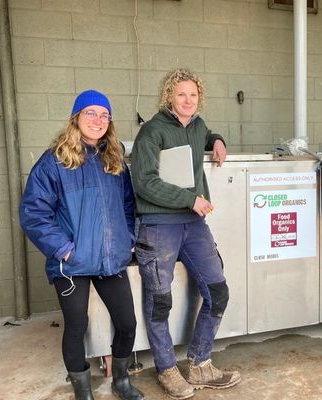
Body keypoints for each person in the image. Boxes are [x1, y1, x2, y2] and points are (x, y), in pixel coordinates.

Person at [19, 90, 143, 400]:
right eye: (90, 113)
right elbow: (34, 213)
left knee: (127, 323)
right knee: (77, 326)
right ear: (76, 117)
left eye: (104, 115)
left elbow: (129, 206)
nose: (97, 120)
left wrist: (127, 239)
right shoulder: (54, 161)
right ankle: (83, 392)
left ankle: (121, 381)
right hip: (71, 262)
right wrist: (64, 249)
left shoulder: (114, 160)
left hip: (109, 258)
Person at [131, 68, 240, 399]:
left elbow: (204, 135)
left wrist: (217, 140)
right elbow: (144, 182)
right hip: (159, 225)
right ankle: (166, 369)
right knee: (160, 301)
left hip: (193, 225)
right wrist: (190, 199)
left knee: (218, 291)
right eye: (181, 94)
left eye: (193, 94)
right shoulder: (151, 132)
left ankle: (200, 363)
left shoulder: (197, 125)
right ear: (169, 96)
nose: (188, 100)